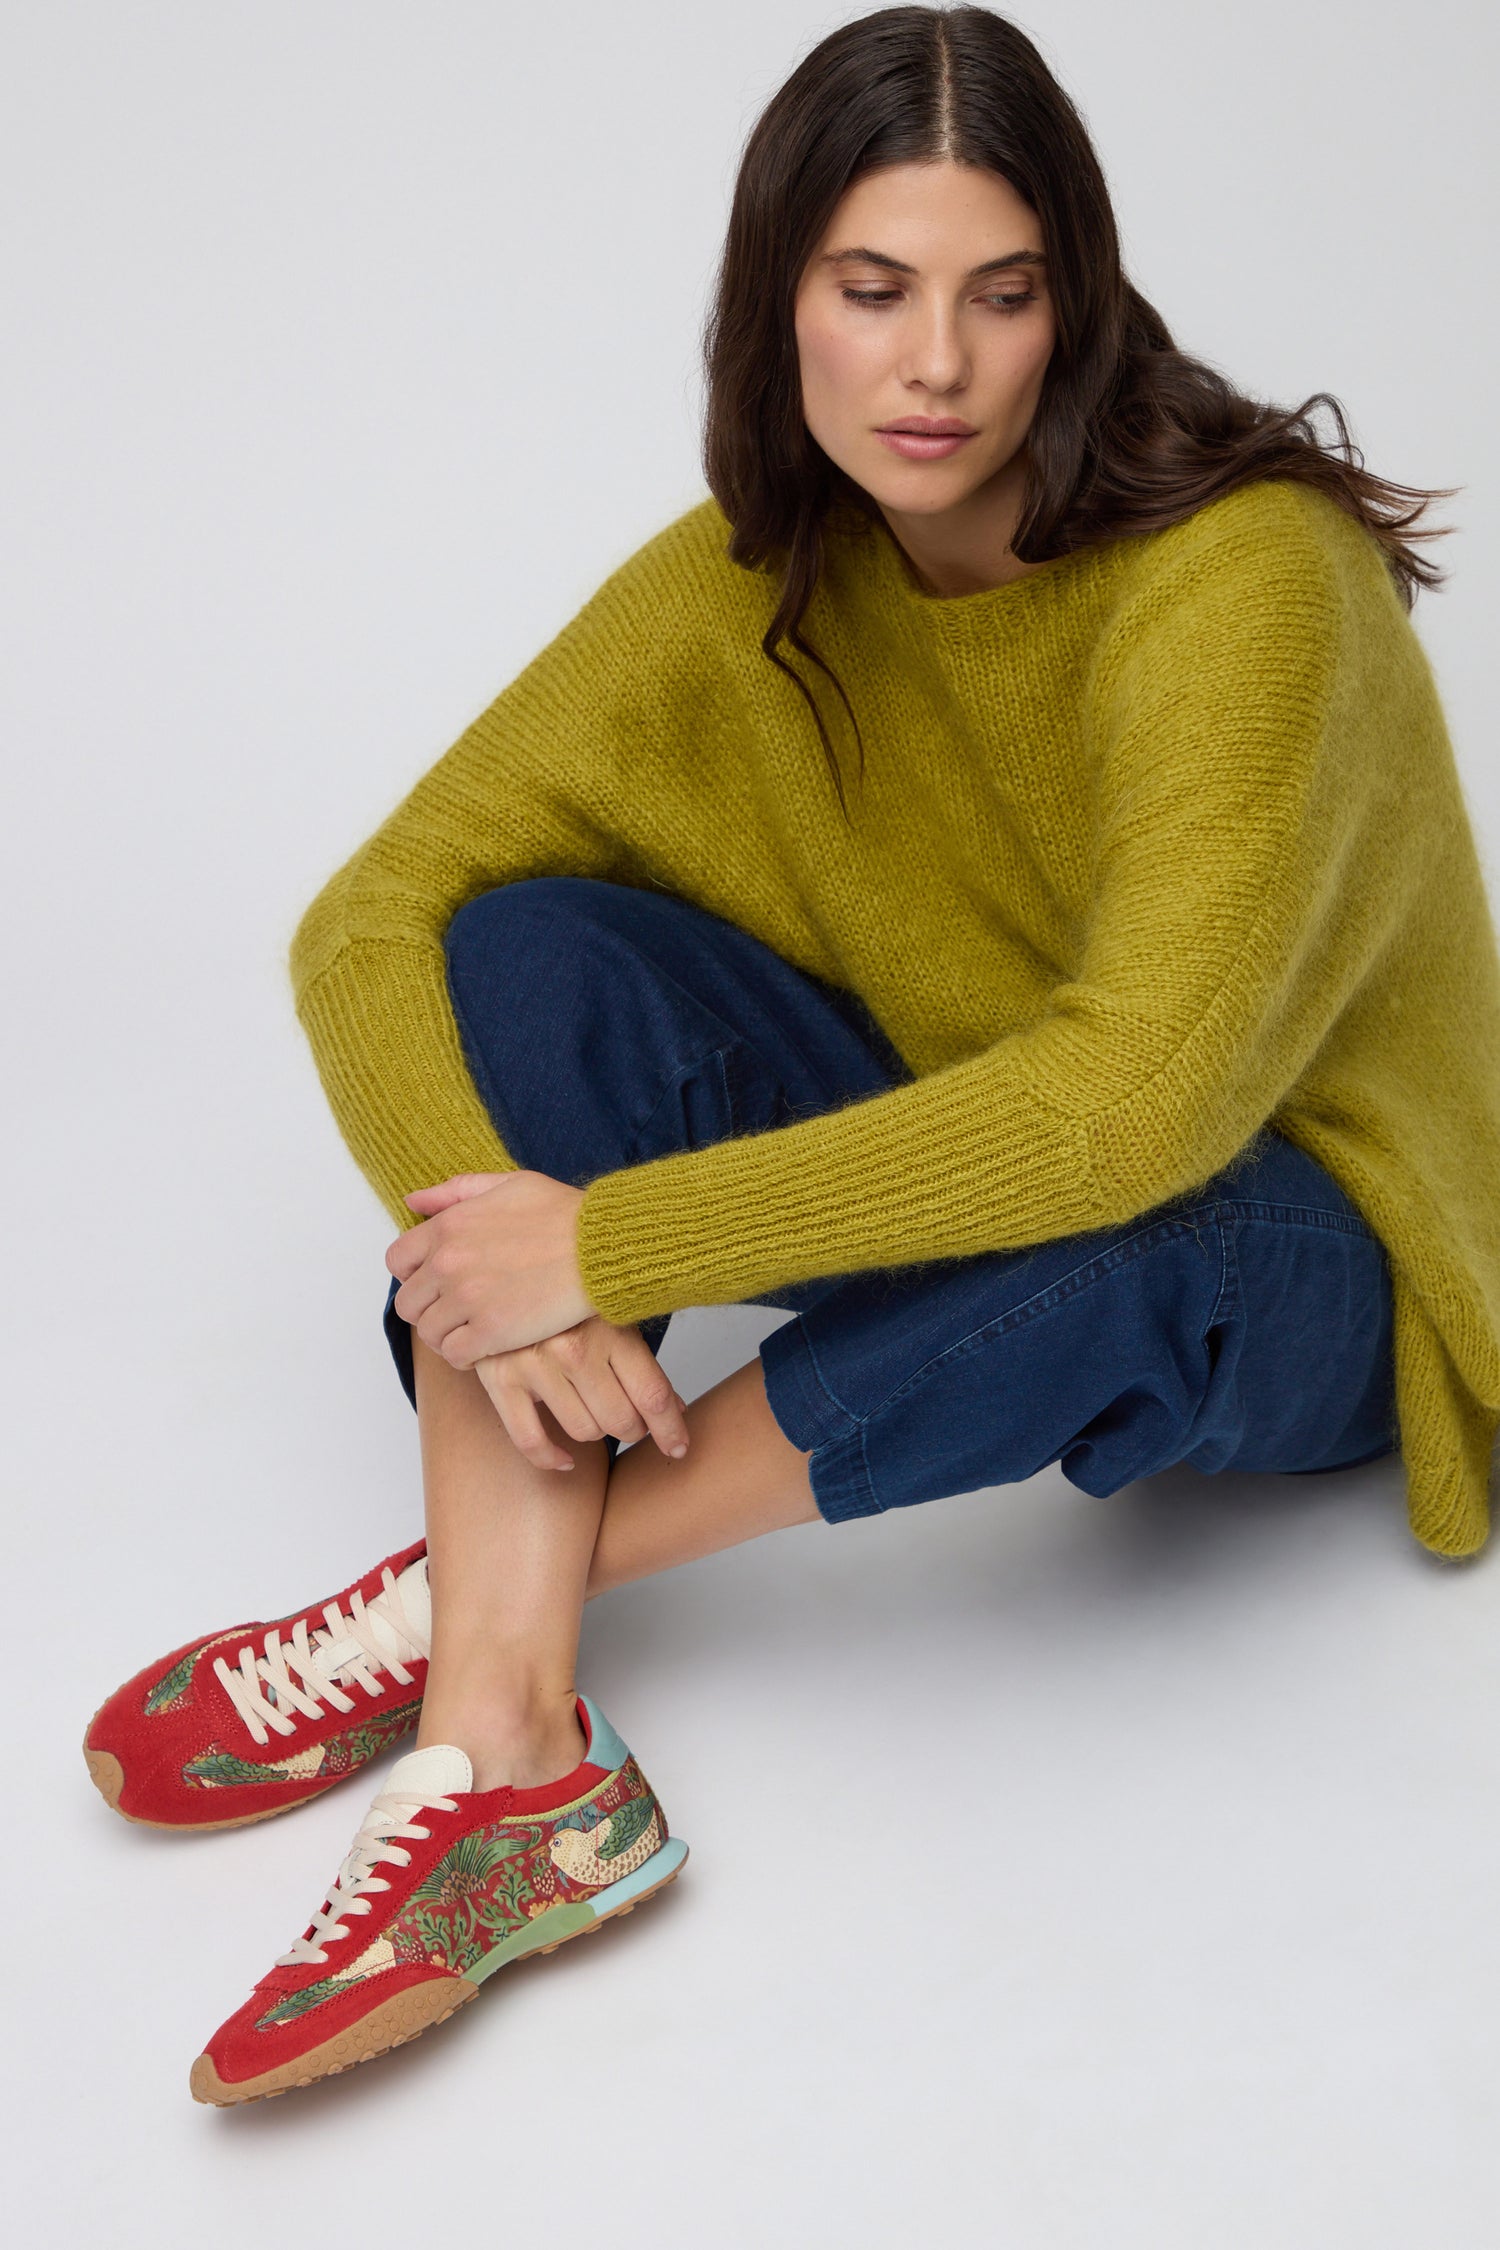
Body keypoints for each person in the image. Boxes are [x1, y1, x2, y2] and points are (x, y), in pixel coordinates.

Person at [84, 4, 1500, 2107]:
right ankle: (527, 1754)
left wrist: (611, 1244)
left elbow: (1130, 1107)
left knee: (1143, 1210)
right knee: (529, 954)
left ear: (1074, 312)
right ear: (782, 306)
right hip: (974, 1155)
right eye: (873, 290)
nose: (934, 365)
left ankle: (463, 1619)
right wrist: (532, 1252)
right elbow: (365, 923)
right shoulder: (753, 586)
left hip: (1306, 1251)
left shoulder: (1243, 580)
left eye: (1000, 295)